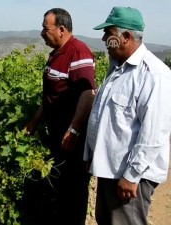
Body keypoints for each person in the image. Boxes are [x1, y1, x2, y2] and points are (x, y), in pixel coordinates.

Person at [85, 6, 171, 225]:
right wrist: (92, 155)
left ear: (126, 36)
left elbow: (154, 133)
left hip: (129, 177)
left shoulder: (154, 74)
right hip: (110, 170)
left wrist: (131, 176)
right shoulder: (116, 69)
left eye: (108, 33)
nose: (104, 38)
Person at [23, 8, 96, 225]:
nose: (42, 33)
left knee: (74, 190)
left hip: (73, 137)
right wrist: (33, 123)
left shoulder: (78, 52)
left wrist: (73, 129)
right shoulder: (56, 54)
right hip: (59, 134)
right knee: (61, 189)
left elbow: (87, 93)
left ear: (61, 29)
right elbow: (51, 97)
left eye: (46, 29)